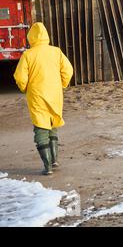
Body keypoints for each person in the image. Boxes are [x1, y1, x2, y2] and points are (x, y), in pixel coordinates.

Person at [14, 23, 73, 175]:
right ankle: (54, 160)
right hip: (55, 93)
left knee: (41, 128)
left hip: (37, 95)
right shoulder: (56, 51)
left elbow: (20, 77)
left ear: (31, 37)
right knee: (52, 124)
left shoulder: (28, 55)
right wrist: (63, 84)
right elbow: (68, 70)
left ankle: (47, 167)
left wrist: (24, 88)